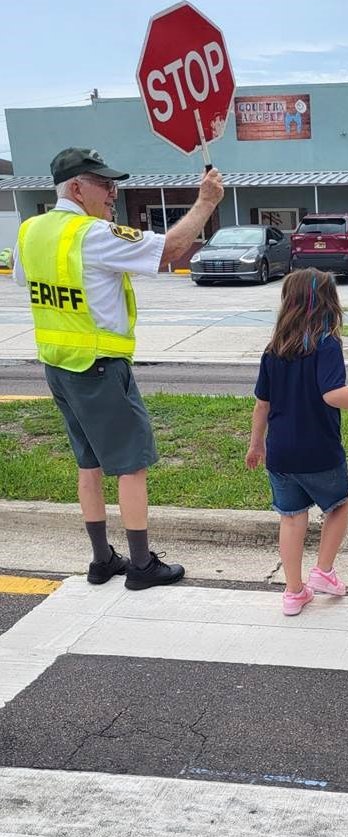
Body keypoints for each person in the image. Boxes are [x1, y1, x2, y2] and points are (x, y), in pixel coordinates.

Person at [13, 147, 224, 590]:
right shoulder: (92, 234)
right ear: (76, 188)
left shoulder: (30, 231)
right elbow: (170, 250)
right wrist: (205, 202)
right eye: (105, 184)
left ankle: (101, 560)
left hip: (57, 365)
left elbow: (23, 280)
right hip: (100, 368)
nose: (113, 192)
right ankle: (142, 566)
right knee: (131, 466)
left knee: (88, 464)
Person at [245, 268, 348, 616]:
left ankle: (293, 592)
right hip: (319, 450)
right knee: (339, 504)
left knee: (291, 518)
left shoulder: (273, 350)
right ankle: (324, 571)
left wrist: (257, 444)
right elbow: (332, 394)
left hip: (281, 453)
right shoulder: (326, 344)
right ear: (328, 304)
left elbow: (261, 404)